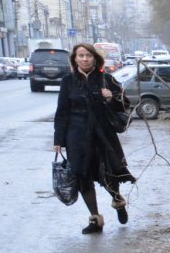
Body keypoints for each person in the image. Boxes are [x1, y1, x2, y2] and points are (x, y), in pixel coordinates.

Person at [52, 42, 135, 235]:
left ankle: (118, 201)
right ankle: (95, 219)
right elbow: (62, 112)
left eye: (88, 56)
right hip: (77, 136)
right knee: (82, 176)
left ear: (94, 58)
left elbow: (125, 105)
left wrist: (110, 99)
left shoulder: (107, 79)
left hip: (103, 133)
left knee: (108, 172)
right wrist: (58, 140)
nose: (84, 59)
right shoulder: (68, 81)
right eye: (80, 56)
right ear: (75, 59)